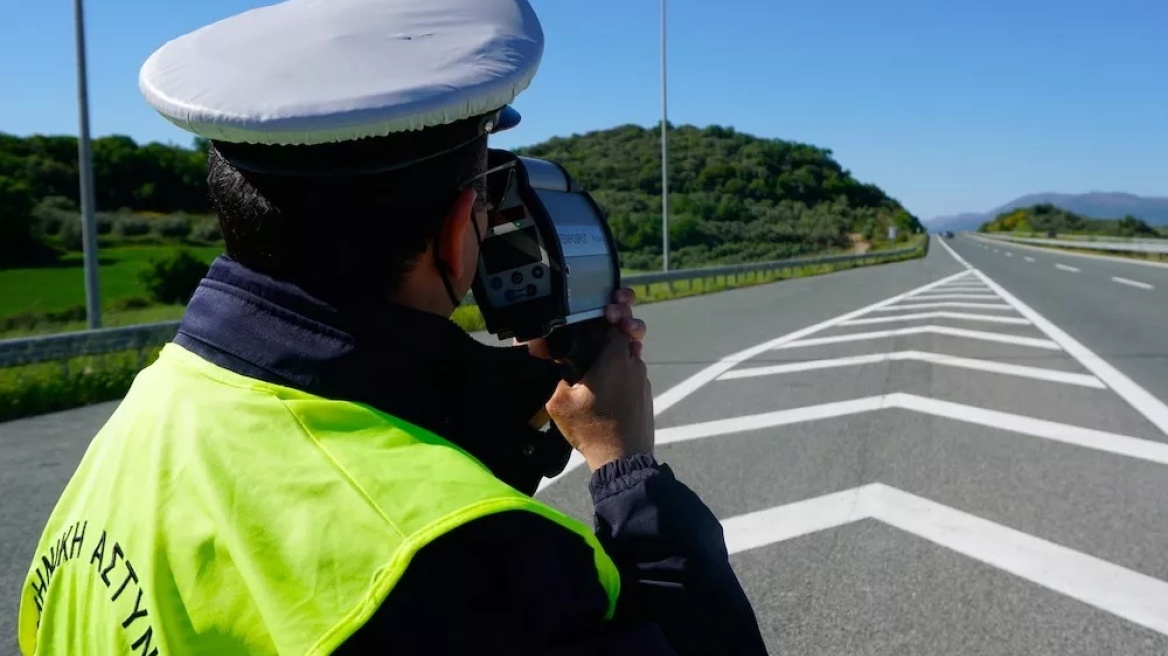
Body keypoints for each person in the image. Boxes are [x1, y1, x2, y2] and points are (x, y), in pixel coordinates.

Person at [17, 0, 768, 654]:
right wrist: (624, 469)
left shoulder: (144, 420)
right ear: (452, 235)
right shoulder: (471, 556)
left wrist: (514, 407)